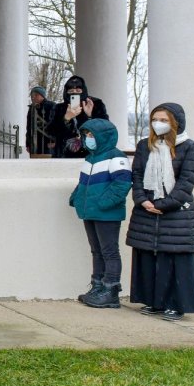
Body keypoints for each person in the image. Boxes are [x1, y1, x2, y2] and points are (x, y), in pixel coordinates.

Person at [127, 103, 194, 320]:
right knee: (148, 256)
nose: (158, 124)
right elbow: (137, 175)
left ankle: (176, 305)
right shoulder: (144, 146)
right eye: (155, 119)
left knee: (174, 257)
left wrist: (165, 203)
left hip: (176, 213)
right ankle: (153, 301)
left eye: (164, 120)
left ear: (175, 122)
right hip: (146, 210)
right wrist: (142, 200)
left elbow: (187, 182)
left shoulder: (189, 147)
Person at [69, 118, 132, 309]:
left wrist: (104, 203)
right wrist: (76, 198)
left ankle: (110, 289)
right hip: (90, 211)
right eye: (86, 135)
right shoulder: (90, 158)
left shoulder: (116, 157)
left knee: (109, 251)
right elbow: (83, 183)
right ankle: (97, 285)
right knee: (96, 250)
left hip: (107, 214)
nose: (88, 138)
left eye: (91, 135)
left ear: (102, 136)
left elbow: (122, 184)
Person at [48, 75, 109, 159]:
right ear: (66, 92)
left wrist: (90, 116)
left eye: (78, 90)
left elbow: (105, 129)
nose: (75, 93)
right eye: (71, 90)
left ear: (83, 91)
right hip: (64, 156)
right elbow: (51, 132)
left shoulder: (95, 105)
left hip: (90, 155)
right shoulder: (59, 108)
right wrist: (66, 118)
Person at [26, 86, 57, 157]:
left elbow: (55, 124)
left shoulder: (51, 105)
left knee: (48, 164)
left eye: (36, 95)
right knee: (35, 164)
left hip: (48, 141)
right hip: (34, 141)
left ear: (42, 95)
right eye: (32, 95)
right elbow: (29, 127)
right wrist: (28, 144)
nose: (33, 97)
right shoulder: (32, 108)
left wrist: (54, 141)